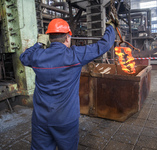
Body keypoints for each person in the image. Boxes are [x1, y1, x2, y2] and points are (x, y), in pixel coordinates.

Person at [19, 18, 118, 150]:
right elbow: (103, 45)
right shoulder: (75, 55)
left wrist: (38, 43)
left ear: (49, 38)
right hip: (65, 120)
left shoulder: (38, 56)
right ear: (67, 38)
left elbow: (23, 57)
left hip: (41, 119)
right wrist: (111, 27)